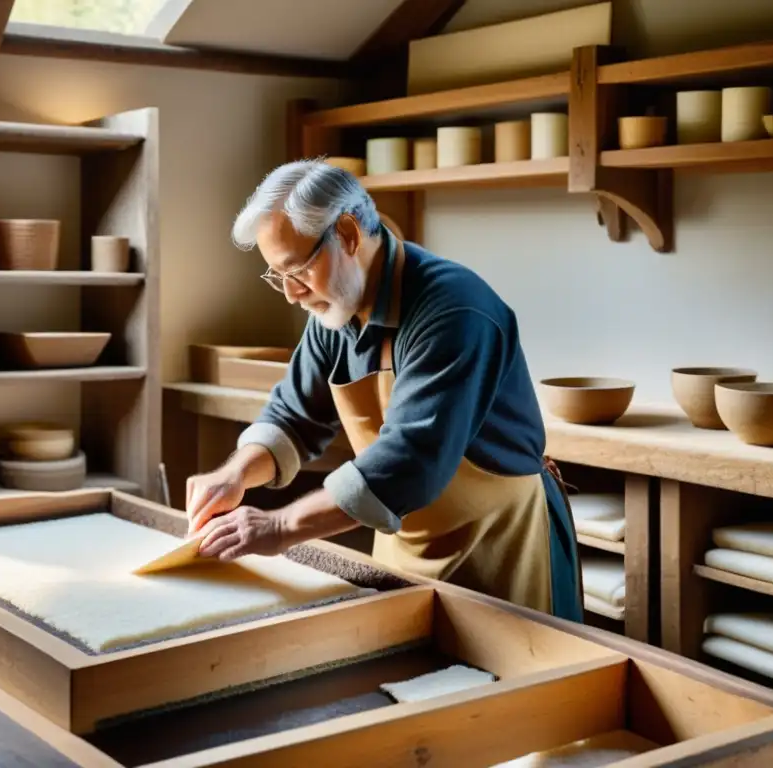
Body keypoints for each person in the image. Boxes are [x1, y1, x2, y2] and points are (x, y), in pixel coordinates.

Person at [184, 158, 583, 622]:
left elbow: (409, 461)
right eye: (277, 276)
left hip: (501, 547)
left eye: (296, 270)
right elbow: (293, 416)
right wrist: (234, 474)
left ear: (348, 235)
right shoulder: (334, 309)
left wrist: (279, 526)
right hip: (402, 541)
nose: (291, 293)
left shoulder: (454, 311)